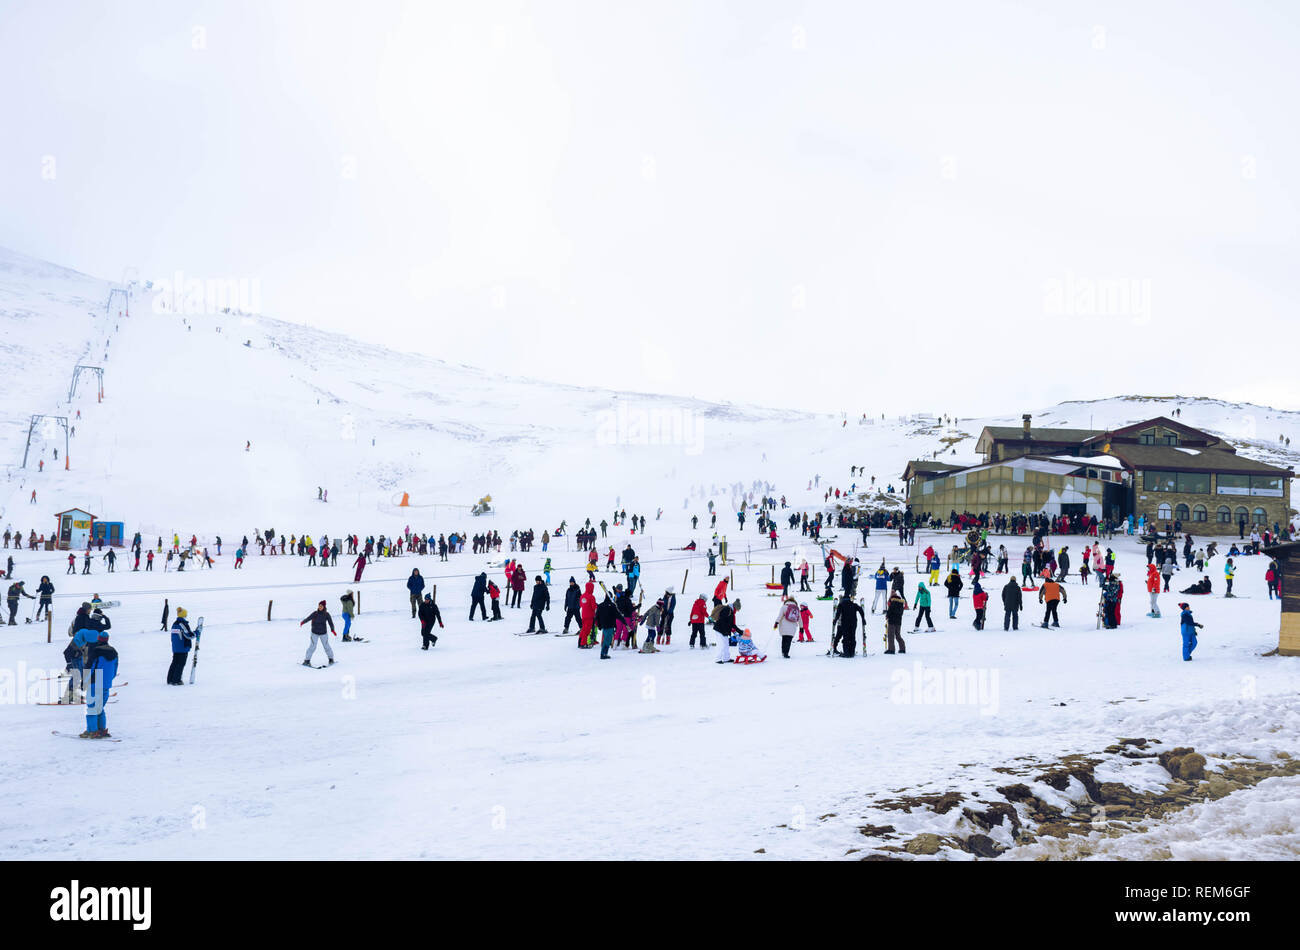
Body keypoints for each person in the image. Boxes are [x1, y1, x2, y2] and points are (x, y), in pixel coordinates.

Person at [81, 628, 118, 738]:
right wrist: (109, 679)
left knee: (92, 707)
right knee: (100, 707)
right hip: (106, 684)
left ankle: (92, 731)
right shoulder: (114, 652)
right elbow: (115, 669)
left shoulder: (96, 652)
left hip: (95, 682)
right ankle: (101, 729)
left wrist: (84, 681)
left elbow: (90, 667)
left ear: (99, 639)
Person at [300, 600, 337, 666]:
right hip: (314, 633)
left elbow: (330, 623)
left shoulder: (326, 614)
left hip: (323, 633)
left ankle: (331, 659)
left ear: (324, 607)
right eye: (319, 606)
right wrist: (303, 622)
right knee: (312, 646)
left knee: (326, 646)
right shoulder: (315, 613)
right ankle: (307, 660)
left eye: (321, 606)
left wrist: (332, 630)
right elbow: (309, 618)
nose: (319, 607)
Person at [832, 593, 865, 657]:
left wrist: (835, 620)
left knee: (846, 637)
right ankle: (852, 652)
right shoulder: (853, 604)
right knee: (852, 637)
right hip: (853, 623)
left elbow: (838, 613)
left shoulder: (841, 605)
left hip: (845, 623)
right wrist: (863, 619)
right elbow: (860, 610)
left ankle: (846, 653)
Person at [168, 608, 194, 684]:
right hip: (182, 648)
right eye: (186, 614)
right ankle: (176, 680)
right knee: (181, 664)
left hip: (175, 648)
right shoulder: (182, 624)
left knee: (174, 663)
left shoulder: (174, 624)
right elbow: (188, 635)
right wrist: (196, 633)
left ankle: (170, 679)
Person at [596, 593, 619, 659]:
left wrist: (599, 625)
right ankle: (603, 654)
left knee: (607, 640)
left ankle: (604, 653)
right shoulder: (612, 605)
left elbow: (597, 616)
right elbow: (617, 615)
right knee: (607, 640)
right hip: (609, 625)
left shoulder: (601, 605)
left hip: (605, 625)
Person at [884, 588, 907, 654]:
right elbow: (901, 613)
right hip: (899, 621)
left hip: (892, 621)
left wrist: (887, 616)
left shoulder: (892, 601)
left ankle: (891, 649)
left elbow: (890, 610)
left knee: (891, 635)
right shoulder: (901, 603)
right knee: (898, 635)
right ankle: (902, 648)